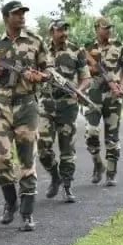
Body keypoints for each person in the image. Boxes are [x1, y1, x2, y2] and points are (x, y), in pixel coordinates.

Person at [0, 0, 50, 231]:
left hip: (27, 106)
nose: (22, 16)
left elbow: (49, 69)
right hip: (2, 106)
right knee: (1, 159)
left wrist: (40, 77)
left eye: (23, 13)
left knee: (27, 160)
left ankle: (27, 214)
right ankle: (10, 202)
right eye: (17, 13)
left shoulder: (35, 41)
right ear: (6, 17)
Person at [37, 19, 90, 202]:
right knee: (43, 145)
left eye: (66, 29)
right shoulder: (41, 50)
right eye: (60, 30)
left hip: (68, 104)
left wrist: (79, 91)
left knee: (67, 147)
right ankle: (55, 176)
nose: (64, 33)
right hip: (47, 103)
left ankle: (67, 186)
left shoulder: (76, 51)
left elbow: (86, 78)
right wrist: (42, 76)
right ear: (52, 31)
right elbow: (33, 73)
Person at [83, 16, 123, 186]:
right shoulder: (87, 48)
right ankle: (98, 164)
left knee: (112, 137)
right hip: (94, 95)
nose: (109, 30)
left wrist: (122, 84)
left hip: (113, 96)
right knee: (91, 131)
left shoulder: (119, 47)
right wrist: (93, 69)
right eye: (105, 27)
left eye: (110, 27)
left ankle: (111, 172)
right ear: (97, 28)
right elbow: (81, 69)